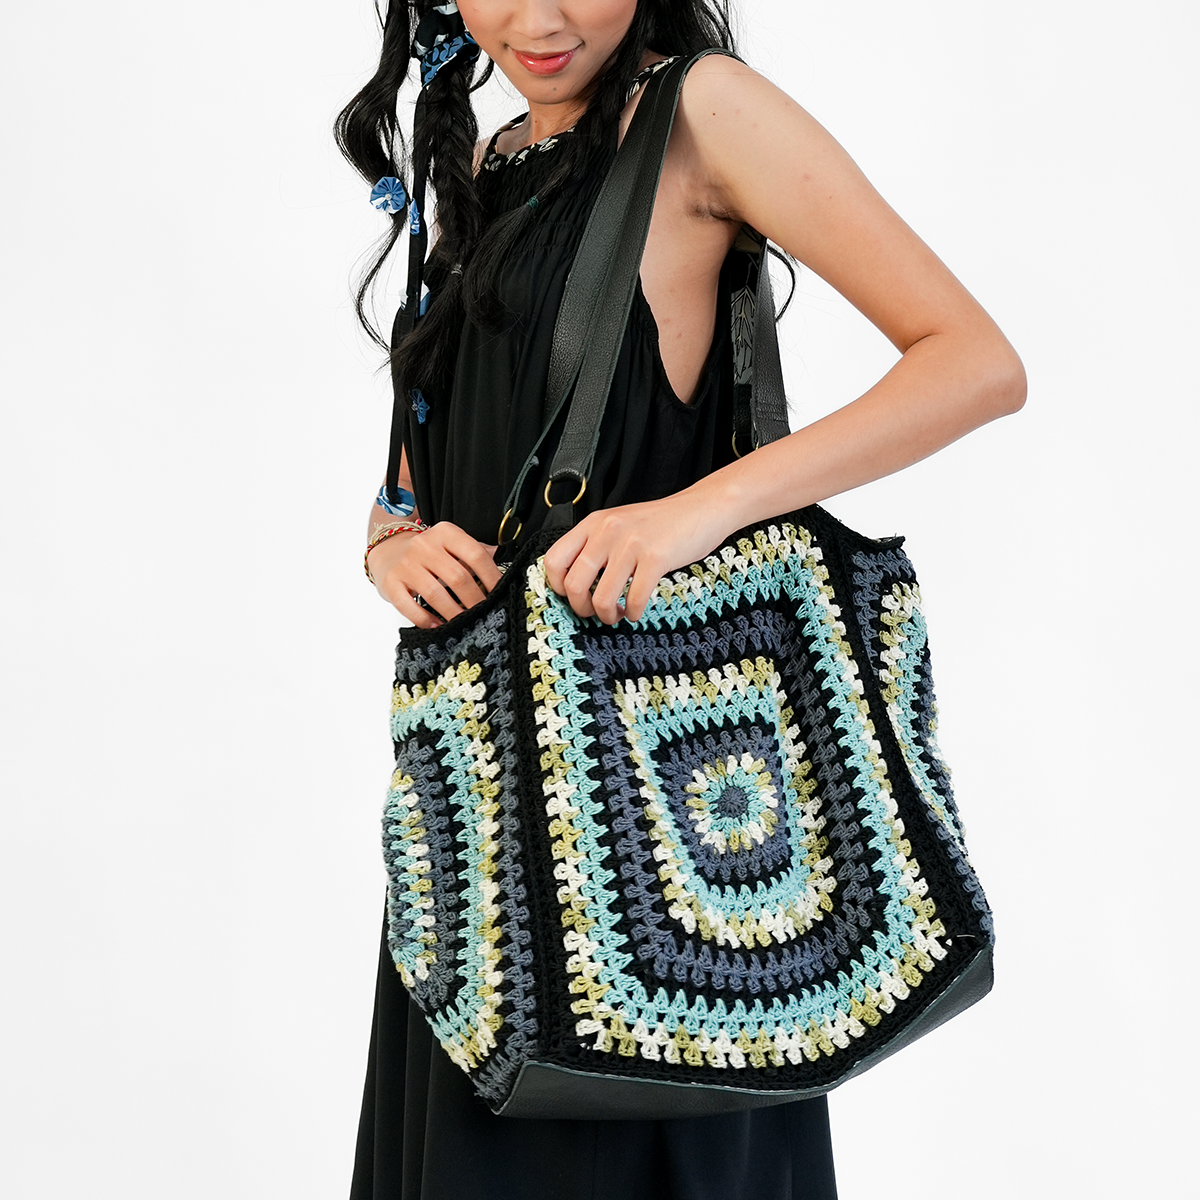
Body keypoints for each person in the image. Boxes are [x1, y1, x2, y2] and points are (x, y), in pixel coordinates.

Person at [337, 2, 1025, 1197]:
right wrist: (389, 537)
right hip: (486, 837)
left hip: (660, 837)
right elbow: (440, 435)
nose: (537, 17)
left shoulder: (702, 110)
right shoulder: (494, 156)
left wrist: (699, 511)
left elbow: (974, 361)